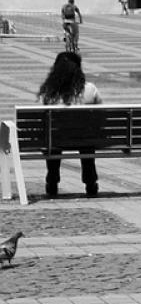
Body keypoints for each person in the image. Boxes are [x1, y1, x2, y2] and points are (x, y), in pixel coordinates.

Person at [37, 52, 103, 198]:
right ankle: (90, 181)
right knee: (87, 140)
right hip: (85, 139)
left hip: (56, 140)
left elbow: (43, 118)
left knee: (51, 138)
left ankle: (52, 180)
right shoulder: (90, 89)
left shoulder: (49, 92)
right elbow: (101, 113)